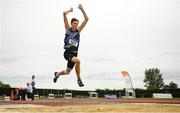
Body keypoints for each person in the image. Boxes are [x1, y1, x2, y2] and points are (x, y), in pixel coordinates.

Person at [53, 4, 89, 87]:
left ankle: (57, 74)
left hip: (74, 54)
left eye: (77, 23)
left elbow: (87, 19)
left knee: (67, 72)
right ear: (71, 23)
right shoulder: (67, 29)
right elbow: (64, 14)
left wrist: (82, 9)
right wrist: (69, 11)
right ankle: (79, 79)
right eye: (74, 23)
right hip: (67, 53)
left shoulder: (78, 31)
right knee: (78, 61)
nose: (76, 25)